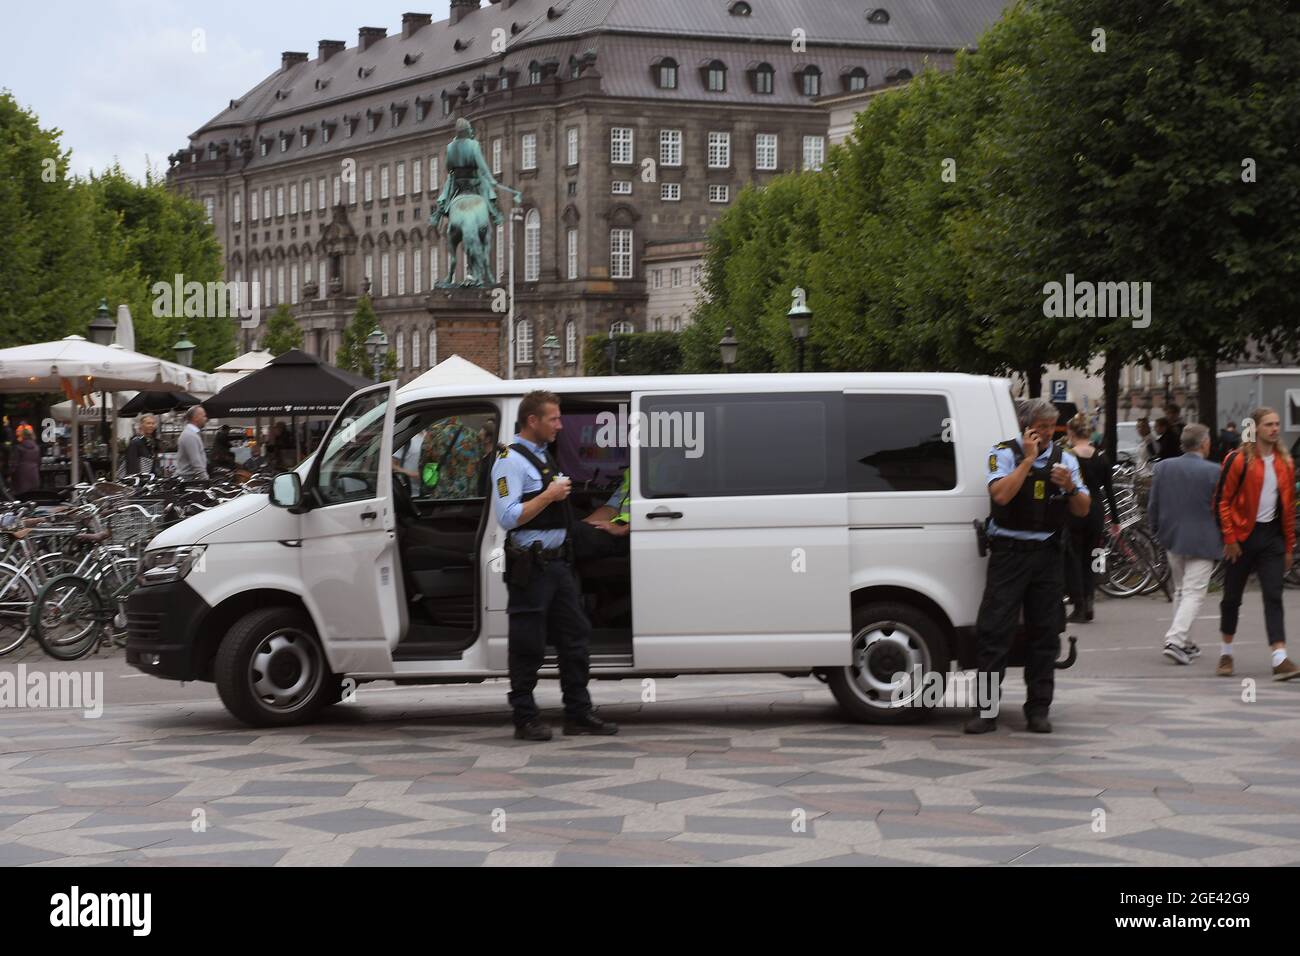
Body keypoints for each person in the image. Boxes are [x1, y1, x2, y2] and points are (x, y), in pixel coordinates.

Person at [490, 390, 617, 741]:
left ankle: (577, 712)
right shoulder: (509, 460)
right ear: (533, 421)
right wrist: (549, 494)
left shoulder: (542, 455)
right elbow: (509, 516)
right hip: (532, 566)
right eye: (554, 419)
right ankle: (525, 717)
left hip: (558, 565)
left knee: (575, 638)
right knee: (528, 644)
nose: (560, 425)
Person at [967, 398, 1091, 735]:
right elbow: (1001, 496)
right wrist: (1028, 461)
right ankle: (986, 711)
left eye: (1052, 427)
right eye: (1041, 426)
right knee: (994, 632)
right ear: (1025, 426)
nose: (1048, 433)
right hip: (1009, 553)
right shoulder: (1003, 453)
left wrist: (1068, 486)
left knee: (1045, 633)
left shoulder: (1065, 459)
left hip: (1047, 555)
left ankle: (1038, 709)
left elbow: (1083, 508)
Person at [1216, 406, 1298, 680]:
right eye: (1269, 425)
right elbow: (1222, 501)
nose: (1275, 429)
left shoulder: (1285, 463)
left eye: (1277, 424)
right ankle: (1226, 653)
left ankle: (1279, 657)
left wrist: (1288, 546)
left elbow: (1288, 509)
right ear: (1256, 428)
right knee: (1231, 599)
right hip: (1241, 537)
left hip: (1271, 538)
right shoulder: (1238, 460)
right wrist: (1229, 538)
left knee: (1274, 594)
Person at [1148, 424, 1222, 664]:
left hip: (1172, 536)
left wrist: (1156, 531)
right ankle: (1176, 640)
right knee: (1194, 593)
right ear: (1203, 444)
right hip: (1204, 537)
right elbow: (1222, 508)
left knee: (1181, 590)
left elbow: (1154, 504)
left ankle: (1186, 641)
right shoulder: (1215, 471)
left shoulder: (1163, 468)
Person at [1063, 413, 1118, 623]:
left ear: (1071, 433)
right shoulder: (1102, 457)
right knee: (1092, 556)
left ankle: (1078, 605)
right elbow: (1109, 491)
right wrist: (1115, 520)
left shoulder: (1068, 456)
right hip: (1097, 509)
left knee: (1074, 558)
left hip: (1075, 508)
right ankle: (1090, 601)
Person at [572, 468, 630, 561]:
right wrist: (584, 525)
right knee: (568, 520)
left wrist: (624, 528)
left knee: (572, 533)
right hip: (615, 525)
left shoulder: (659, 465)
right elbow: (611, 509)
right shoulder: (634, 469)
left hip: (630, 534)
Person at [175, 405, 209, 480]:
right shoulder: (190, 435)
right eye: (204, 416)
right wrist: (206, 481)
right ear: (196, 418)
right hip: (188, 481)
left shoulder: (191, 434)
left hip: (190, 479)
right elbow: (196, 462)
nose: (206, 419)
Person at [8, 424, 41, 499]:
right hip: (34, 474)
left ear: (22, 436)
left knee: (21, 498)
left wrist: (10, 474)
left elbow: (14, 463)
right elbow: (39, 462)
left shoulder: (18, 448)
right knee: (33, 497)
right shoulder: (36, 448)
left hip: (20, 476)